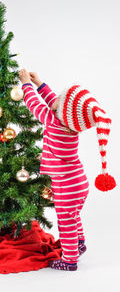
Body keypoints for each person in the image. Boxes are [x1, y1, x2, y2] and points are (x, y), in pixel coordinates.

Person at [19, 68, 116, 271]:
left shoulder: (54, 121)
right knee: (74, 216)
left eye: (61, 101)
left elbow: (34, 104)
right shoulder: (69, 124)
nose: (57, 101)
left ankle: (70, 260)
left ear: (63, 112)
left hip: (66, 185)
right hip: (78, 182)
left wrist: (26, 84)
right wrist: (40, 83)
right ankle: (79, 244)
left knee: (66, 222)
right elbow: (55, 103)